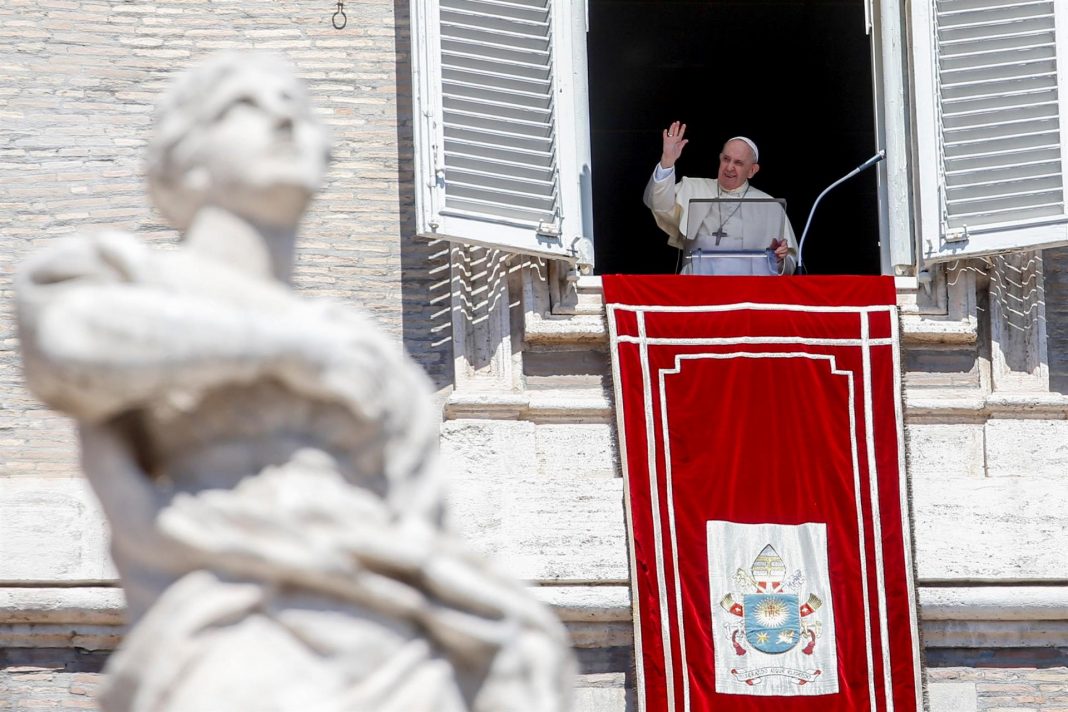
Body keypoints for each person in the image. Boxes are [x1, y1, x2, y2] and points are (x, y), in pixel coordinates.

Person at [16, 51, 573, 712]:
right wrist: (284, 348)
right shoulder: (127, 280)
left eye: (299, 109)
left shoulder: (366, 349)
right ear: (185, 160)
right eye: (244, 105)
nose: (284, 116)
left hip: (393, 635)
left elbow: (419, 516)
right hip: (234, 622)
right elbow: (68, 344)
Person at [643, 121, 797, 275]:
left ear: (752, 170)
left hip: (747, 292)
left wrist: (779, 259)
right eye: (726, 159)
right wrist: (667, 161)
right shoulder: (693, 187)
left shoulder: (769, 205)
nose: (729, 167)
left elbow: (789, 265)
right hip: (697, 286)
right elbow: (658, 204)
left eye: (738, 163)